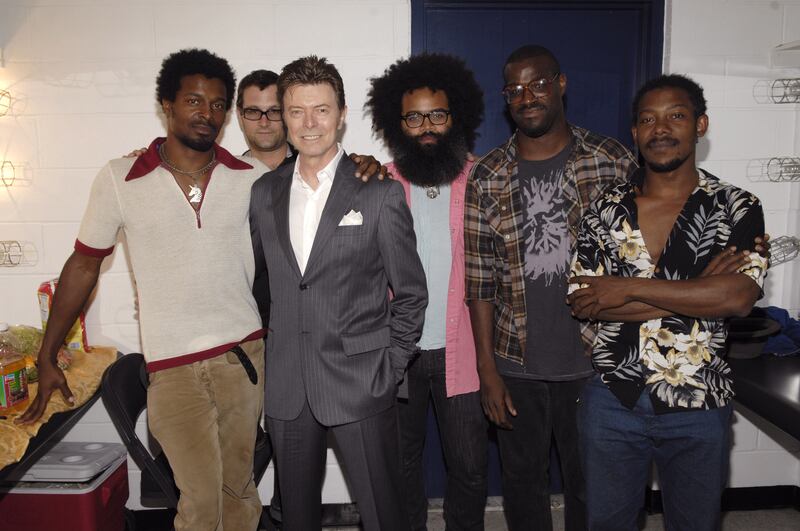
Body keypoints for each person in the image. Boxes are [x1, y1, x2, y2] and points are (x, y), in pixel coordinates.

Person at [19, 48, 268, 531]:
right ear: (166, 105)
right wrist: (47, 354)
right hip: (171, 370)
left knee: (239, 491)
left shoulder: (251, 179)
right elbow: (83, 266)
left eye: (218, 104)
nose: (207, 113)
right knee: (197, 502)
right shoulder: (121, 177)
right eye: (194, 100)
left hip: (242, 359)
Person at [567, 74, 768, 531]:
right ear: (635, 133)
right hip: (611, 396)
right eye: (647, 119)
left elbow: (737, 298)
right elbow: (583, 302)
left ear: (701, 124)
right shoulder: (605, 207)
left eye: (676, 115)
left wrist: (627, 288)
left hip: (700, 398)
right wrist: (699, 291)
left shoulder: (736, 206)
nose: (661, 128)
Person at [249, 55, 428, 531]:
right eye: (296, 111)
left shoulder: (378, 192)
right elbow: (262, 284)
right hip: (288, 387)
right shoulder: (264, 194)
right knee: (296, 519)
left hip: (363, 382)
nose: (309, 124)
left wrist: (389, 369)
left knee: (383, 514)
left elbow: (411, 292)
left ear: (342, 114)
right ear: (283, 116)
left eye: (322, 110)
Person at [464, 44, 636, 531]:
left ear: (560, 84)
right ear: (506, 99)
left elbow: (647, 253)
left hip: (595, 360)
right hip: (516, 362)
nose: (527, 96)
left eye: (538, 83)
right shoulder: (488, 174)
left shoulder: (613, 161)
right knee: (522, 483)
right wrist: (487, 371)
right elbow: (479, 281)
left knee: (593, 483)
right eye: (515, 89)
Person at [365, 52, 488, 531]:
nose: (427, 126)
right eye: (414, 117)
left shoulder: (482, 179)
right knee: (400, 467)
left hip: (465, 352)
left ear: (457, 114)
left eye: (438, 114)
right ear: (397, 124)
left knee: (471, 468)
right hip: (398, 353)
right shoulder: (377, 183)